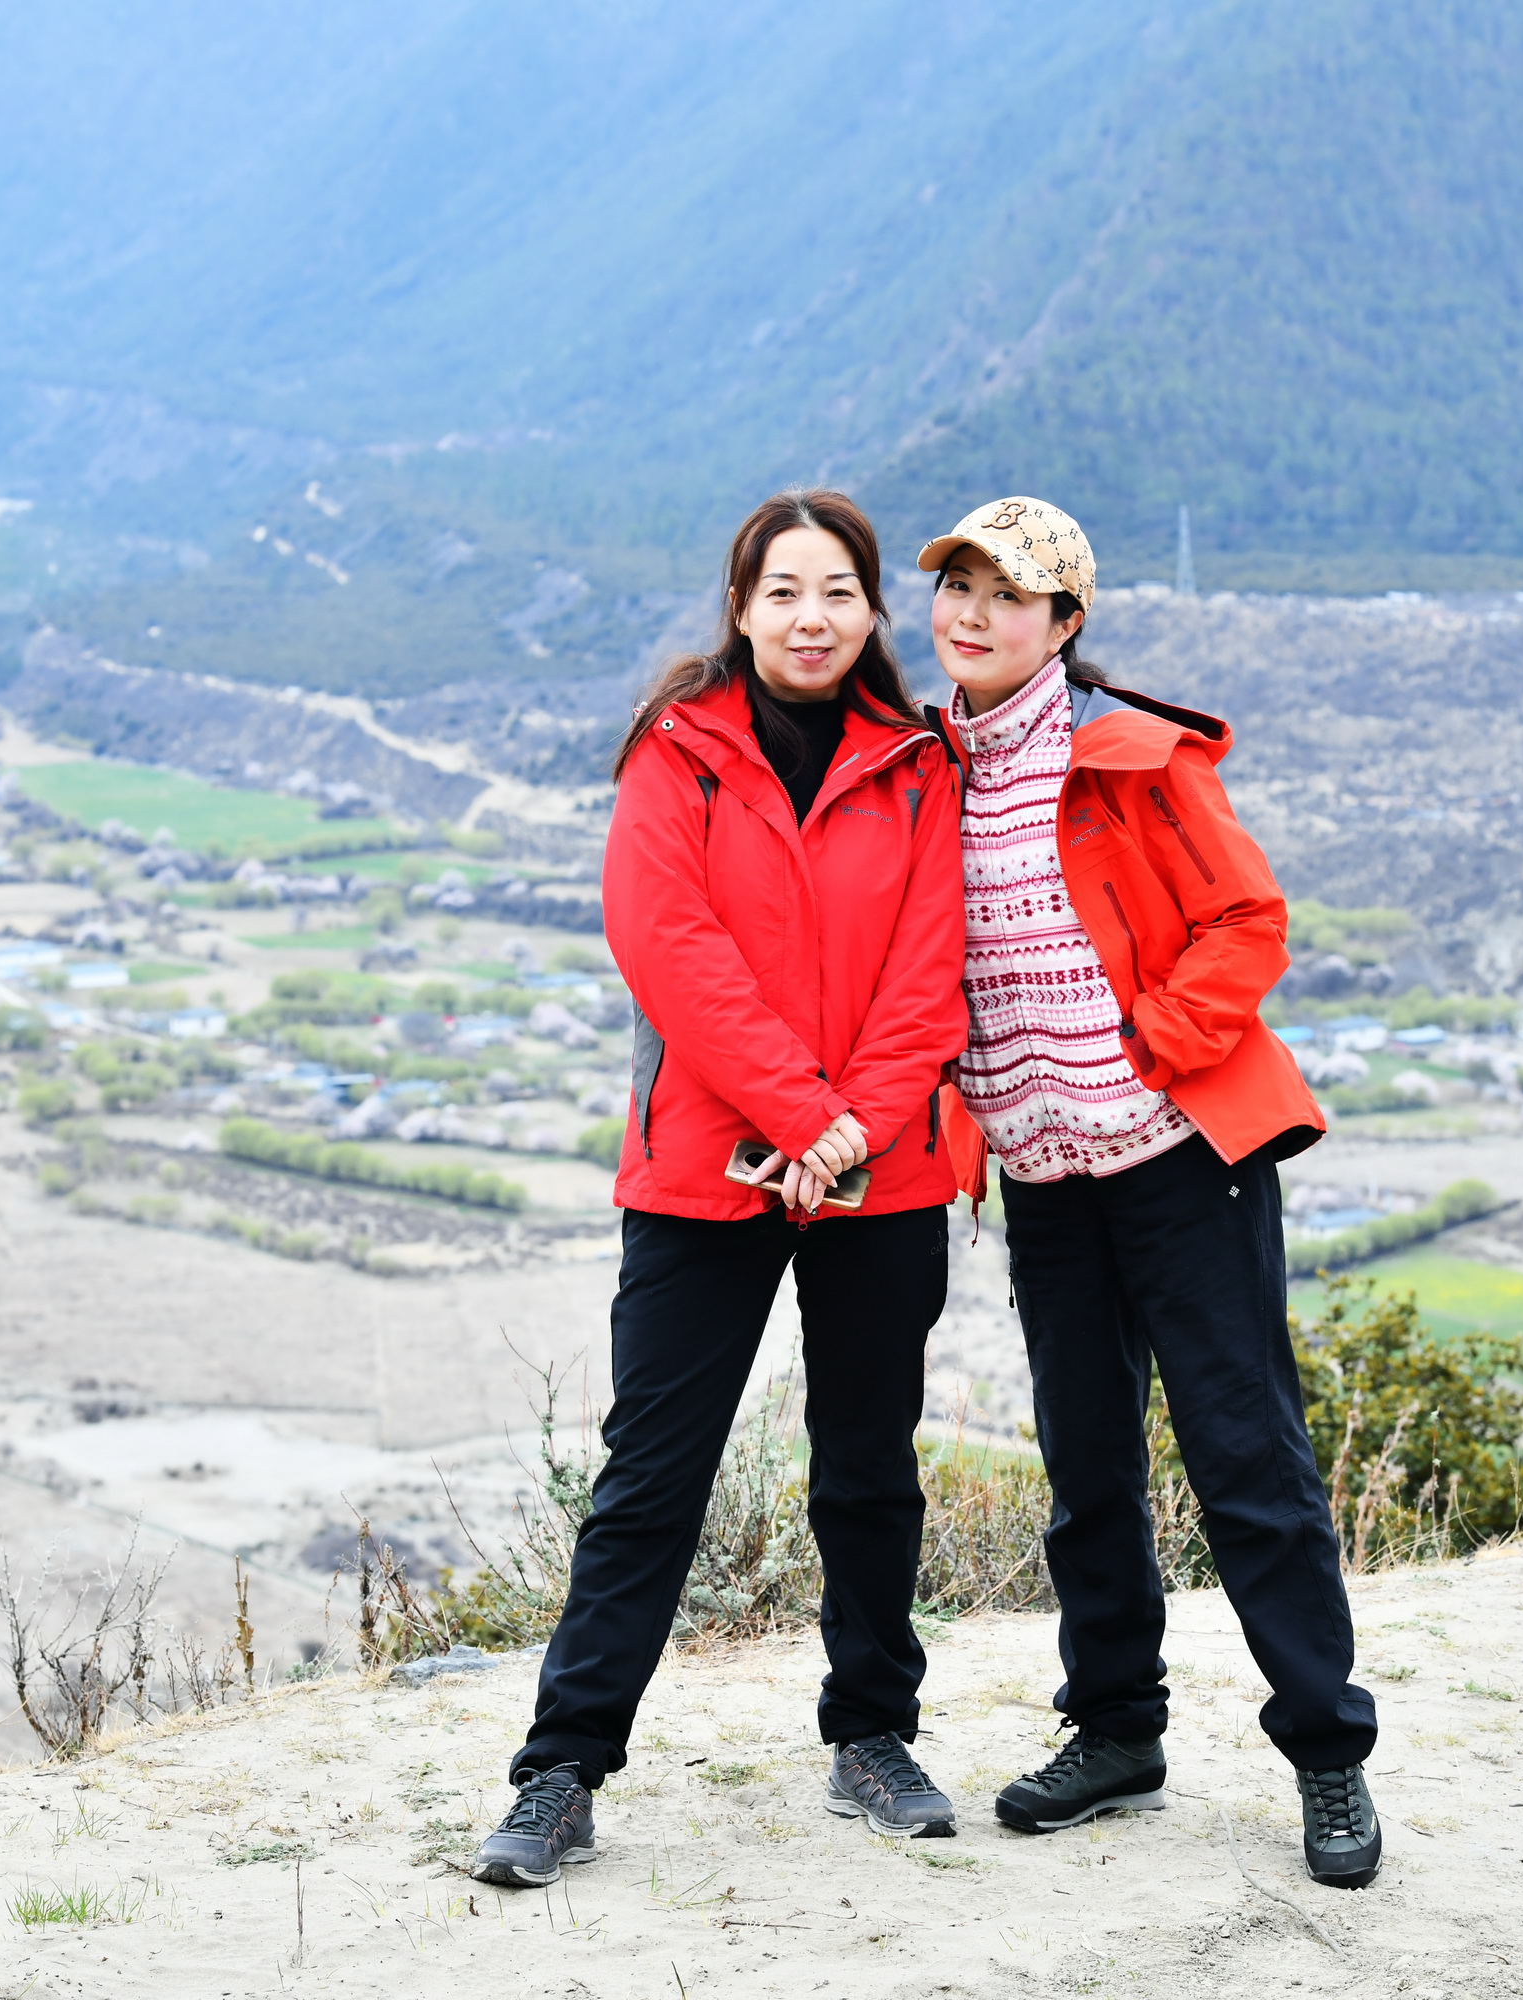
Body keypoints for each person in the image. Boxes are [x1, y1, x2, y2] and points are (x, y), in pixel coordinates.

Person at [470, 490, 970, 1888]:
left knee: (870, 1469)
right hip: (709, 1170)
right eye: (784, 592)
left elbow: (933, 972)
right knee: (651, 1480)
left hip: (881, 1176)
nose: (812, 618)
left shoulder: (922, 766)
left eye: (839, 593)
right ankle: (562, 1772)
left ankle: (872, 1737)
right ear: (740, 609)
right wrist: (809, 1118)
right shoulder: (674, 754)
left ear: (873, 614)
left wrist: (850, 1133)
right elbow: (668, 948)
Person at [919, 496, 1384, 1887]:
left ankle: (1327, 1755)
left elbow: (1252, 918)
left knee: (1249, 1465)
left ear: (1065, 623)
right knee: (1088, 1471)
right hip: (1047, 1179)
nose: (973, 612)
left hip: (1183, 1163)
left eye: (1009, 593)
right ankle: (1117, 1732)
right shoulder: (920, 773)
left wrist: (1147, 1049)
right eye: (955, 584)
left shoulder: (1133, 758)